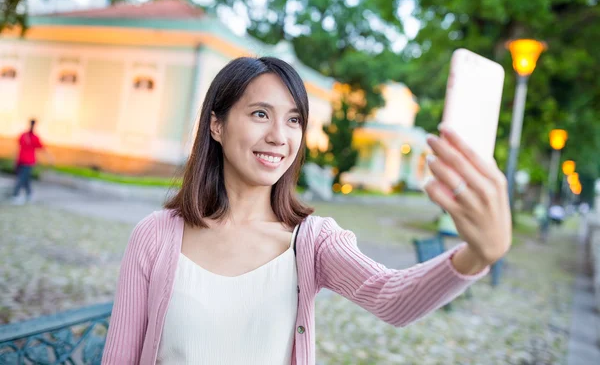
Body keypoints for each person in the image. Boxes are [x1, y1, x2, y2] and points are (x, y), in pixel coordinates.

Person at [102, 57, 512, 365]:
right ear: (217, 125)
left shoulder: (312, 242)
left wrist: (478, 254)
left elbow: (393, 299)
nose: (279, 136)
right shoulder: (155, 235)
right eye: (260, 114)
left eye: (294, 119)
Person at [10, 119, 52, 204]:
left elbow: (41, 148)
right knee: (24, 178)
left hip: (28, 161)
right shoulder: (24, 135)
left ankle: (21, 194)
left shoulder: (33, 137)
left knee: (23, 178)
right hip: (23, 160)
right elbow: (18, 147)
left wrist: (49, 158)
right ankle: (24, 194)